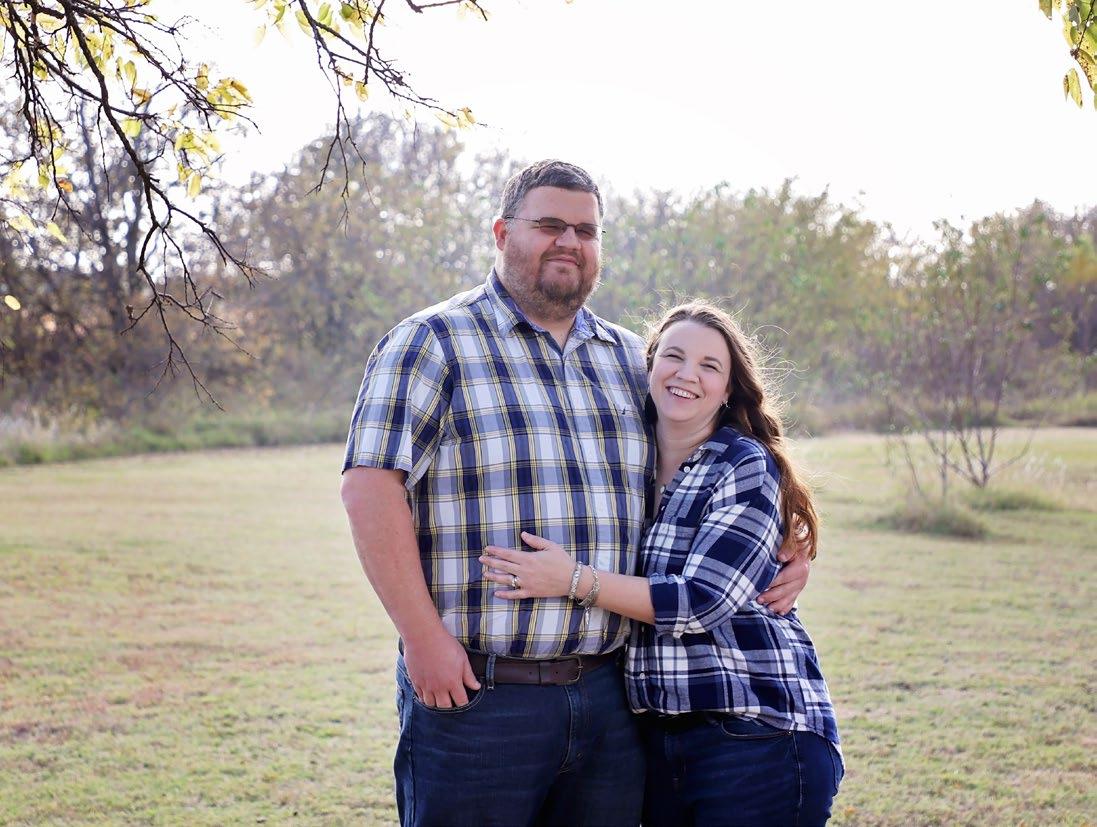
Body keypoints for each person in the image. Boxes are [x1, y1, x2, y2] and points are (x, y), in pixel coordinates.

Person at [340, 160, 811, 827]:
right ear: (503, 233)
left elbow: (711, 457)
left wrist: (788, 541)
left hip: (611, 703)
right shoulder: (432, 343)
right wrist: (421, 638)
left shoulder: (628, 360)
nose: (569, 242)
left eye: (586, 231)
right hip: (479, 692)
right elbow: (368, 486)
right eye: (549, 225)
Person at [481, 301, 842, 826]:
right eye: (674, 356)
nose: (687, 374)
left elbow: (701, 601)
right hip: (660, 741)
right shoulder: (626, 458)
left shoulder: (742, 463)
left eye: (709, 366)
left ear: (729, 389)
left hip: (754, 733)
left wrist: (571, 579)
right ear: (649, 367)